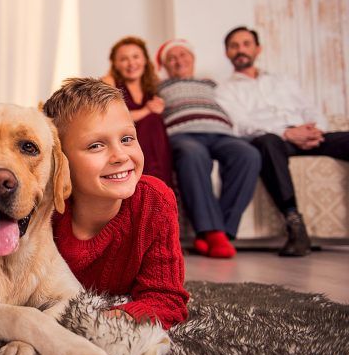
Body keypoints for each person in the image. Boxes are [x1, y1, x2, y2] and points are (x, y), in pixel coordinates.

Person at [41, 78, 189, 329]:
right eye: (96, 145)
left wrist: (112, 321)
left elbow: (166, 298)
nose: (120, 156)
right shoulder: (44, 207)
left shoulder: (153, 201)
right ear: (60, 160)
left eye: (127, 138)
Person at [216, 26, 349, 257]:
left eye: (246, 44)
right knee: (266, 142)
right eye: (234, 46)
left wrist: (315, 131)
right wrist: (286, 132)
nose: (241, 50)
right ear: (227, 53)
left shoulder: (283, 80)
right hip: (275, 141)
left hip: (310, 134)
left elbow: (310, 108)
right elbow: (241, 124)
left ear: (258, 49)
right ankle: (294, 224)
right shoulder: (225, 90)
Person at [156, 39, 261, 259]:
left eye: (183, 55)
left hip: (221, 133)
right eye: (172, 58)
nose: (178, 60)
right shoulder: (158, 87)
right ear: (164, 66)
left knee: (248, 154)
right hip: (183, 133)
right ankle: (211, 232)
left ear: (192, 59)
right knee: (192, 154)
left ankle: (223, 231)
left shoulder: (212, 84)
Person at [103, 36, 173, 187]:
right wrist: (147, 110)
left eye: (136, 57)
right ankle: (149, 184)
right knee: (151, 119)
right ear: (115, 64)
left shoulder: (154, 86)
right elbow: (112, 119)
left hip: (156, 149)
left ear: (145, 60)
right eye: (123, 59)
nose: (131, 63)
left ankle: (160, 186)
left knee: (155, 120)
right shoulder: (109, 83)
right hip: (124, 144)